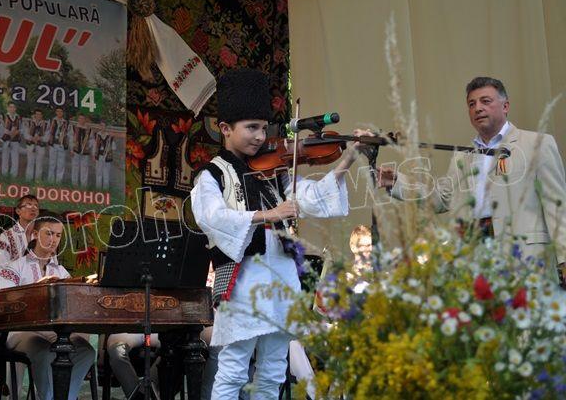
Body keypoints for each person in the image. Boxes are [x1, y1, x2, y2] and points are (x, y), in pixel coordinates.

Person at [191, 68, 368, 398]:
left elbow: (311, 197)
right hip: (242, 282)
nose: (261, 136)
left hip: (282, 278)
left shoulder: (276, 170)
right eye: (251, 127)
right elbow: (212, 217)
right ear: (225, 128)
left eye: (264, 127)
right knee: (233, 369)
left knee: (273, 371)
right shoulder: (212, 175)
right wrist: (269, 215)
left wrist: (347, 159)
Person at [379, 76, 566, 283]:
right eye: (471, 104)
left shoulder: (537, 143)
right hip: (475, 258)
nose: (478, 108)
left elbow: (557, 206)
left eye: (485, 101)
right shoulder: (462, 155)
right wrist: (397, 182)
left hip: (526, 258)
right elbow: (441, 198)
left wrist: (564, 259)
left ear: (505, 106)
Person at [0, 213, 95, 400]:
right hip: (21, 331)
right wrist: (37, 288)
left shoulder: (61, 272)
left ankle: (64, 397)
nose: (53, 240)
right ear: (34, 234)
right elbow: (5, 303)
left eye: (58, 235)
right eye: (48, 233)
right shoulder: (14, 268)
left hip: (55, 333)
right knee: (44, 352)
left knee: (86, 352)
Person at [0, 195, 40, 280]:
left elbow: (51, 263)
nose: (33, 209)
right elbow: (0, 267)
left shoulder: (43, 236)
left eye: (36, 206)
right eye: (28, 205)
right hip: (13, 285)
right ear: (18, 211)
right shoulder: (7, 236)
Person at [47, 106, 69, 183]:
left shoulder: (66, 122)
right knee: (52, 163)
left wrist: (65, 139)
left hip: (61, 144)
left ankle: (58, 182)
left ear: (63, 113)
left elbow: (68, 133)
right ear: (56, 112)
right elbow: (48, 131)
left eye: (61, 111)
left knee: (61, 164)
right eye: (58, 111)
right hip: (53, 143)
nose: (59, 113)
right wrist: (48, 141)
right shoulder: (51, 120)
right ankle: (50, 181)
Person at [25, 109, 47, 181]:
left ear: (42, 115)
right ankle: (28, 179)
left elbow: (48, 135)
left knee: (39, 163)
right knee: (30, 162)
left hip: (40, 145)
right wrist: (32, 138)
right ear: (34, 115)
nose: (38, 116)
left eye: (40, 114)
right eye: (37, 114)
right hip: (31, 145)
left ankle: (38, 180)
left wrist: (40, 138)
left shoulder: (46, 124)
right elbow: (25, 133)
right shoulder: (29, 122)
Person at [70, 113, 92, 187]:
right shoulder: (74, 128)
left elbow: (92, 140)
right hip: (75, 150)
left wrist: (88, 145)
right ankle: (74, 184)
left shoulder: (89, 130)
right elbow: (71, 139)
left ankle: (83, 185)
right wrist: (71, 149)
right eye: (80, 118)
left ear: (85, 120)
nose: (81, 120)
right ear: (78, 119)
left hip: (85, 151)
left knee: (84, 168)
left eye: (83, 118)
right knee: (75, 167)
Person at [1, 102, 22, 177]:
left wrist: (17, 131)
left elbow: (21, 128)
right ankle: (4, 175)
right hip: (6, 140)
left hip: (15, 140)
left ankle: (13, 176)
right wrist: (9, 132)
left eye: (13, 107)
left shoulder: (18, 117)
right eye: (10, 107)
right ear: (7, 108)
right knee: (5, 158)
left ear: (15, 108)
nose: (12, 109)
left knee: (15, 159)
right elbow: (1, 128)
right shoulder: (4, 117)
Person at [93, 122, 116, 189]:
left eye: (103, 126)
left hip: (107, 157)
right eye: (101, 125)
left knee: (106, 173)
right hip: (99, 156)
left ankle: (105, 189)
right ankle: (98, 189)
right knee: (98, 173)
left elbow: (114, 148)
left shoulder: (109, 136)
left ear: (105, 127)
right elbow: (94, 146)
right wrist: (93, 155)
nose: (102, 127)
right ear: (99, 126)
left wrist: (112, 140)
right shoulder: (97, 135)